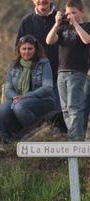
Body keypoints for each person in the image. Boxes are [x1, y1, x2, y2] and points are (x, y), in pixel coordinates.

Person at [0, 35, 55, 142]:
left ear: (35, 49)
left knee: (20, 107)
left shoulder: (44, 63)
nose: (26, 52)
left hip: (42, 100)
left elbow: (48, 88)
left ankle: (36, 136)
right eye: (24, 49)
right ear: (19, 49)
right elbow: (8, 88)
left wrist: (25, 96)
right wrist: (16, 97)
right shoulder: (13, 65)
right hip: (18, 99)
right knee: (3, 108)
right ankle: (8, 142)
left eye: (30, 49)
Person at [46, 0, 90, 141]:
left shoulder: (86, 26)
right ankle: (72, 136)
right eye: (68, 13)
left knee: (74, 106)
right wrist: (57, 23)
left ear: (81, 12)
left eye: (74, 13)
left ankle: (76, 139)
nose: (70, 15)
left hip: (77, 72)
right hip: (62, 73)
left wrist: (75, 24)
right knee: (65, 109)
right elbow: (49, 40)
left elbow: (86, 40)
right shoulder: (62, 27)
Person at [17, 0, 59, 90]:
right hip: (33, 81)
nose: (42, 1)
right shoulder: (26, 22)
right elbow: (18, 50)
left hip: (59, 80)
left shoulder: (62, 20)